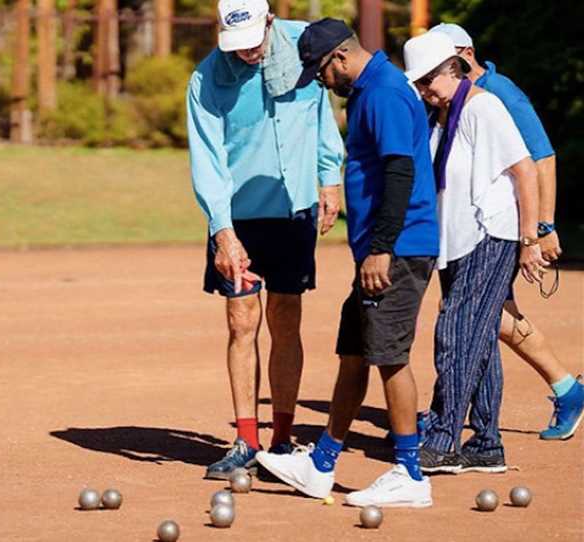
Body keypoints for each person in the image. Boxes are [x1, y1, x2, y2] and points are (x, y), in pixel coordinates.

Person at [256, 18, 439, 508]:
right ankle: (321, 464)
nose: (320, 81)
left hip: (397, 250)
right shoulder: (369, 90)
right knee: (355, 351)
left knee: (390, 356)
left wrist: (381, 247)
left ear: (339, 56)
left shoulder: (382, 93)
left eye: (319, 71)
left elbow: (401, 170)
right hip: (380, 251)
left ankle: (410, 473)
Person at [186, 0, 344, 480]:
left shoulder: (307, 45)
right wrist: (222, 232)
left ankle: (281, 438)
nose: (248, 53)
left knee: (286, 319)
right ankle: (245, 441)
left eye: (254, 42)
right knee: (241, 321)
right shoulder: (206, 79)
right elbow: (208, 159)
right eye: (238, 46)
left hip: (295, 205)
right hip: (240, 217)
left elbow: (321, 111)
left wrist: (328, 175)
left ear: (269, 21)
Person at [428, 23, 584, 441]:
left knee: (476, 316)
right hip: (474, 229)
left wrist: (541, 227)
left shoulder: (499, 92)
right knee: (488, 317)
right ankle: (563, 389)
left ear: (463, 54)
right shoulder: (454, 100)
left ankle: (564, 387)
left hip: (503, 227)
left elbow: (541, 158)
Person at [402, 31, 547, 474]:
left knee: (457, 333)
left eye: (430, 80)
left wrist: (530, 239)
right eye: (419, 84)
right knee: (478, 339)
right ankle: (486, 443)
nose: (426, 90)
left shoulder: (483, 107)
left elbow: (525, 170)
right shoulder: (443, 114)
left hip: (492, 234)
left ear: (453, 68)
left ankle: (445, 438)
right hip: (457, 240)